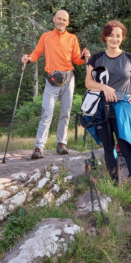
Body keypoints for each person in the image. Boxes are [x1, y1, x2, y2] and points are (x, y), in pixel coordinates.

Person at [85, 20, 131, 214]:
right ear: (105, 36)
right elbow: (88, 82)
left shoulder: (130, 58)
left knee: (129, 149)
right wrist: (104, 87)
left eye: (118, 35)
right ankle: (115, 188)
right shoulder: (96, 58)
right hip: (101, 109)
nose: (114, 38)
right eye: (111, 34)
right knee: (108, 148)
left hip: (123, 109)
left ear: (122, 38)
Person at [21, 10, 90, 159]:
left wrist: (84, 58)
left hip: (68, 79)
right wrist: (28, 58)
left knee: (65, 113)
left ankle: (61, 144)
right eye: (59, 19)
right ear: (54, 19)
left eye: (64, 20)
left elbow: (76, 59)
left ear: (68, 22)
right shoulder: (46, 37)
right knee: (47, 113)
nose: (61, 22)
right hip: (51, 80)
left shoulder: (72, 38)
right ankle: (39, 147)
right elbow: (37, 52)